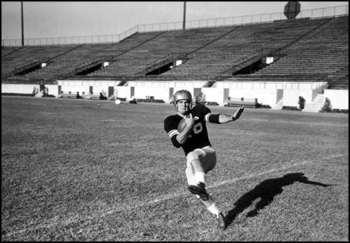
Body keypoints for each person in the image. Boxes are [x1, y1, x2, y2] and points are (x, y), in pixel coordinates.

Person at [164, 89, 244, 230]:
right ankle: (218, 214)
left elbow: (215, 117)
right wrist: (188, 125)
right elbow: (177, 142)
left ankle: (201, 183)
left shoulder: (199, 110)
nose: (184, 105)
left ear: (191, 103)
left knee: (192, 155)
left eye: (186, 102)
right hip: (192, 162)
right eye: (180, 102)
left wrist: (231, 118)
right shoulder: (171, 121)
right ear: (175, 104)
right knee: (195, 190)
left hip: (207, 154)